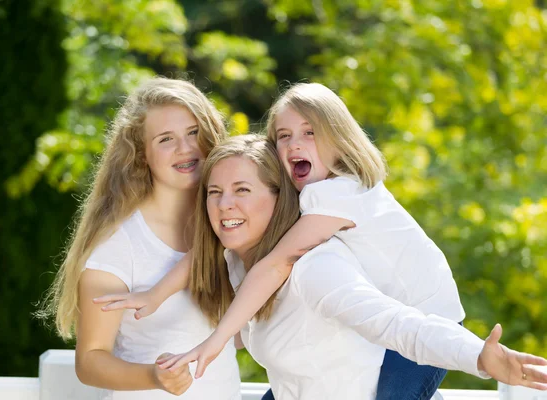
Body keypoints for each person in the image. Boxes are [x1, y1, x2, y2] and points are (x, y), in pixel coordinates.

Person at [95, 84, 547, 398]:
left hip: (430, 317)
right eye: (214, 193)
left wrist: (482, 360)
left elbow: (397, 325)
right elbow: (208, 256)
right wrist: (153, 297)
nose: (224, 206)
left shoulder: (329, 221)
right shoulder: (266, 233)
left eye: (243, 190)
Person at [38, 77, 241, 400]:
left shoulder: (228, 225)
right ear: (141, 154)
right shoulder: (119, 243)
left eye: (193, 132)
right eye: (165, 139)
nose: (186, 148)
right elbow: (90, 360)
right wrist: (154, 376)